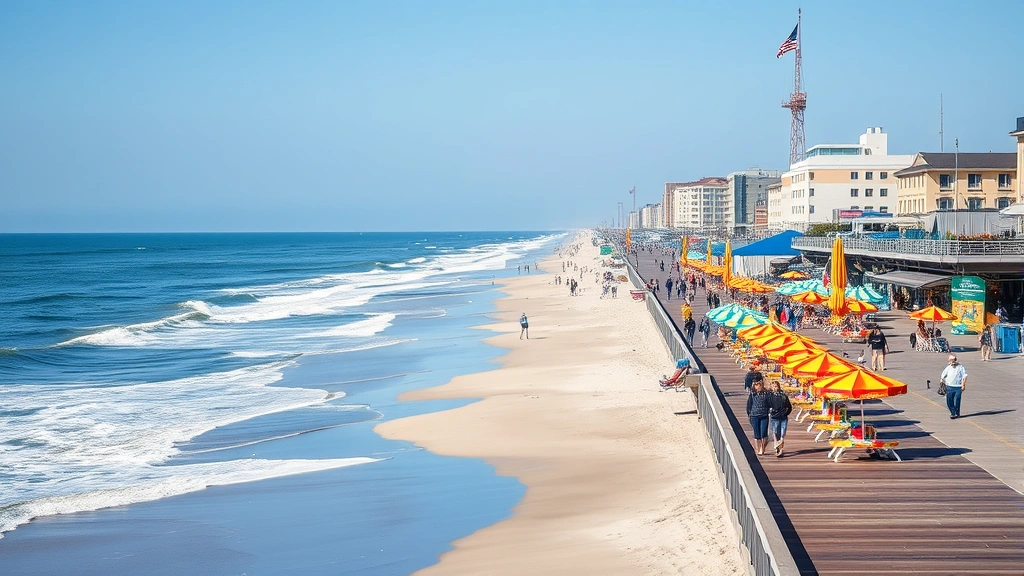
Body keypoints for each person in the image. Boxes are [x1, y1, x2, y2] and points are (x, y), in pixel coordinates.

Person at [745, 377, 771, 455]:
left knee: (764, 434)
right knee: (757, 434)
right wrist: (749, 414)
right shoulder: (753, 394)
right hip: (754, 416)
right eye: (756, 386)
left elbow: (769, 403)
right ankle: (758, 448)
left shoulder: (766, 394)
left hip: (764, 415)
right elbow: (749, 405)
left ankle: (762, 449)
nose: (758, 387)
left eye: (759, 386)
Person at [768, 380, 792, 457]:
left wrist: (786, 412)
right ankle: (776, 446)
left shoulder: (783, 395)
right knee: (775, 432)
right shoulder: (770, 396)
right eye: (774, 386)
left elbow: (789, 406)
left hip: (783, 417)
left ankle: (780, 447)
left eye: (776, 386)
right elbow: (768, 405)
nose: (775, 388)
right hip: (775, 417)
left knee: (782, 433)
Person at [939, 354, 967, 419]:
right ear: (949, 360)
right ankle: (952, 411)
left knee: (957, 400)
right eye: (951, 360)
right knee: (949, 401)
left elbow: (964, 376)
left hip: (958, 386)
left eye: (953, 360)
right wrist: (941, 383)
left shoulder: (960, 367)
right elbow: (943, 376)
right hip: (949, 387)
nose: (952, 361)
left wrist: (963, 385)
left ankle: (956, 413)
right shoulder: (948, 368)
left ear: (955, 360)